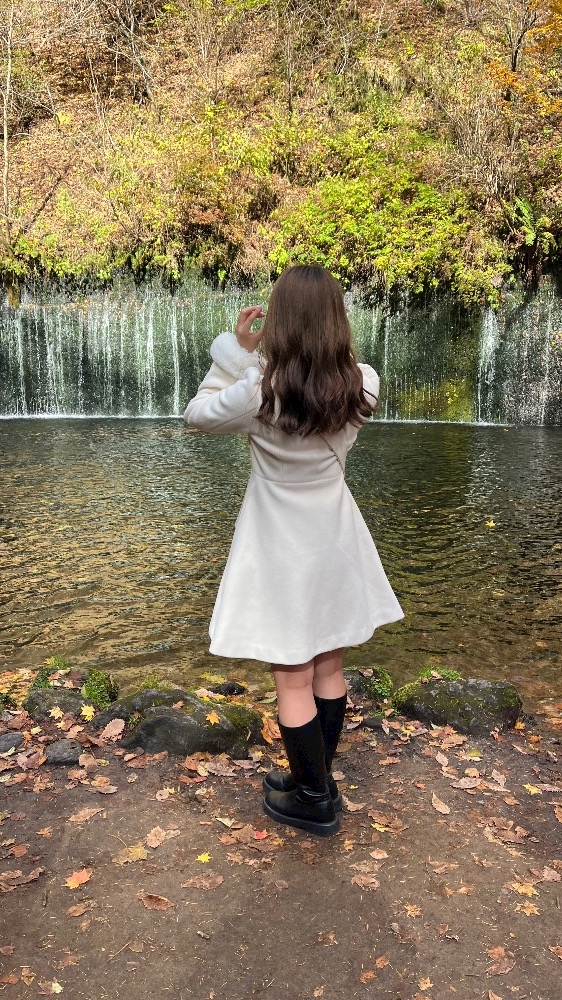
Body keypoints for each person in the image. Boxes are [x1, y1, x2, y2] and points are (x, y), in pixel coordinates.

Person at [184, 265, 404, 837]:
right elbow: (322, 385)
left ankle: (313, 798)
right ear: (336, 320)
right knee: (329, 666)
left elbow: (197, 414)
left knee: (292, 680)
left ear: (279, 320)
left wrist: (234, 353)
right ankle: (318, 779)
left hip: (279, 546)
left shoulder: (259, 392)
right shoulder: (364, 383)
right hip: (335, 539)